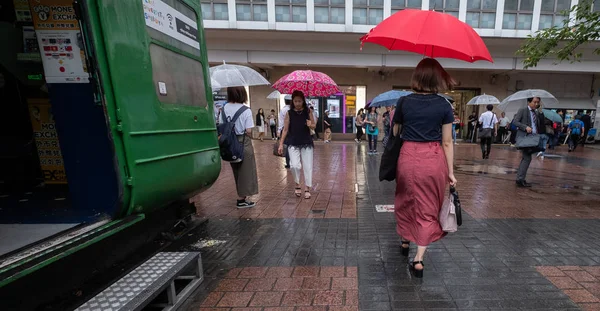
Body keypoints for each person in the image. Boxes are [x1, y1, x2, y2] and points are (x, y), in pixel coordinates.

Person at [393, 58, 457, 278]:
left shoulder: (403, 102)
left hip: (407, 156)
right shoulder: (444, 105)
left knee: (406, 199)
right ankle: (418, 259)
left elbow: (395, 132)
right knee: (428, 206)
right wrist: (450, 172)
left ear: (417, 77)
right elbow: (447, 142)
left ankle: (405, 240)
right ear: (437, 79)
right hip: (433, 158)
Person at [223, 87, 258, 208]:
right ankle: (241, 199)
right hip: (243, 141)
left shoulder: (223, 108)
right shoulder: (245, 110)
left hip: (229, 142)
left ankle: (241, 196)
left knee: (236, 169)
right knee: (247, 171)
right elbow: (248, 130)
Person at [279, 91, 316, 199]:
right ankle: (297, 183)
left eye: (299, 101)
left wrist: (311, 125)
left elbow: (314, 126)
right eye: (295, 101)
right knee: (294, 165)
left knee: (308, 166)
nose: (298, 103)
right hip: (293, 142)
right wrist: (281, 143)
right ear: (292, 101)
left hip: (306, 141)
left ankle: (307, 187)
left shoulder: (308, 111)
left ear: (303, 101)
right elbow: (285, 129)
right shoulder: (289, 113)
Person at [512, 97, 545, 188]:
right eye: (534, 102)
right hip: (525, 137)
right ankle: (520, 179)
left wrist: (540, 113)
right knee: (527, 158)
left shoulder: (537, 112)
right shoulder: (523, 110)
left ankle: (520, 178)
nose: (536, 104)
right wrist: (525, 127)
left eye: (538, 102)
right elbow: (515, 121)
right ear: (529, 102)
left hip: (533, 138)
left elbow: (540, 125)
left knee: (526, 158)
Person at [278, 97, 292, 169]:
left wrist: (279, 130)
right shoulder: (292, 109)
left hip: (284, 129)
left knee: (286, 146)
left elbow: (280, 121)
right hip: (293, 130)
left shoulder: (283, 110)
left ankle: (288, 163)